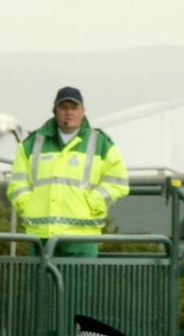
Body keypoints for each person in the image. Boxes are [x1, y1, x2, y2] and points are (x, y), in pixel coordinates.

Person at [7, 87, 128, 258]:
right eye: (64, 108)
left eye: (74, 108)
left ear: (82, 111)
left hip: (82, 237)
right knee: (39, 286)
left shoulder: (101, 143)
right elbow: (18, 183)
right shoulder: (31, 143)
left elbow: (118, 182)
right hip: (40, 235)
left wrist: (94, 203)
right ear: (55, 110)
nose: (69, 113)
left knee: (80, 286)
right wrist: (27, 205)